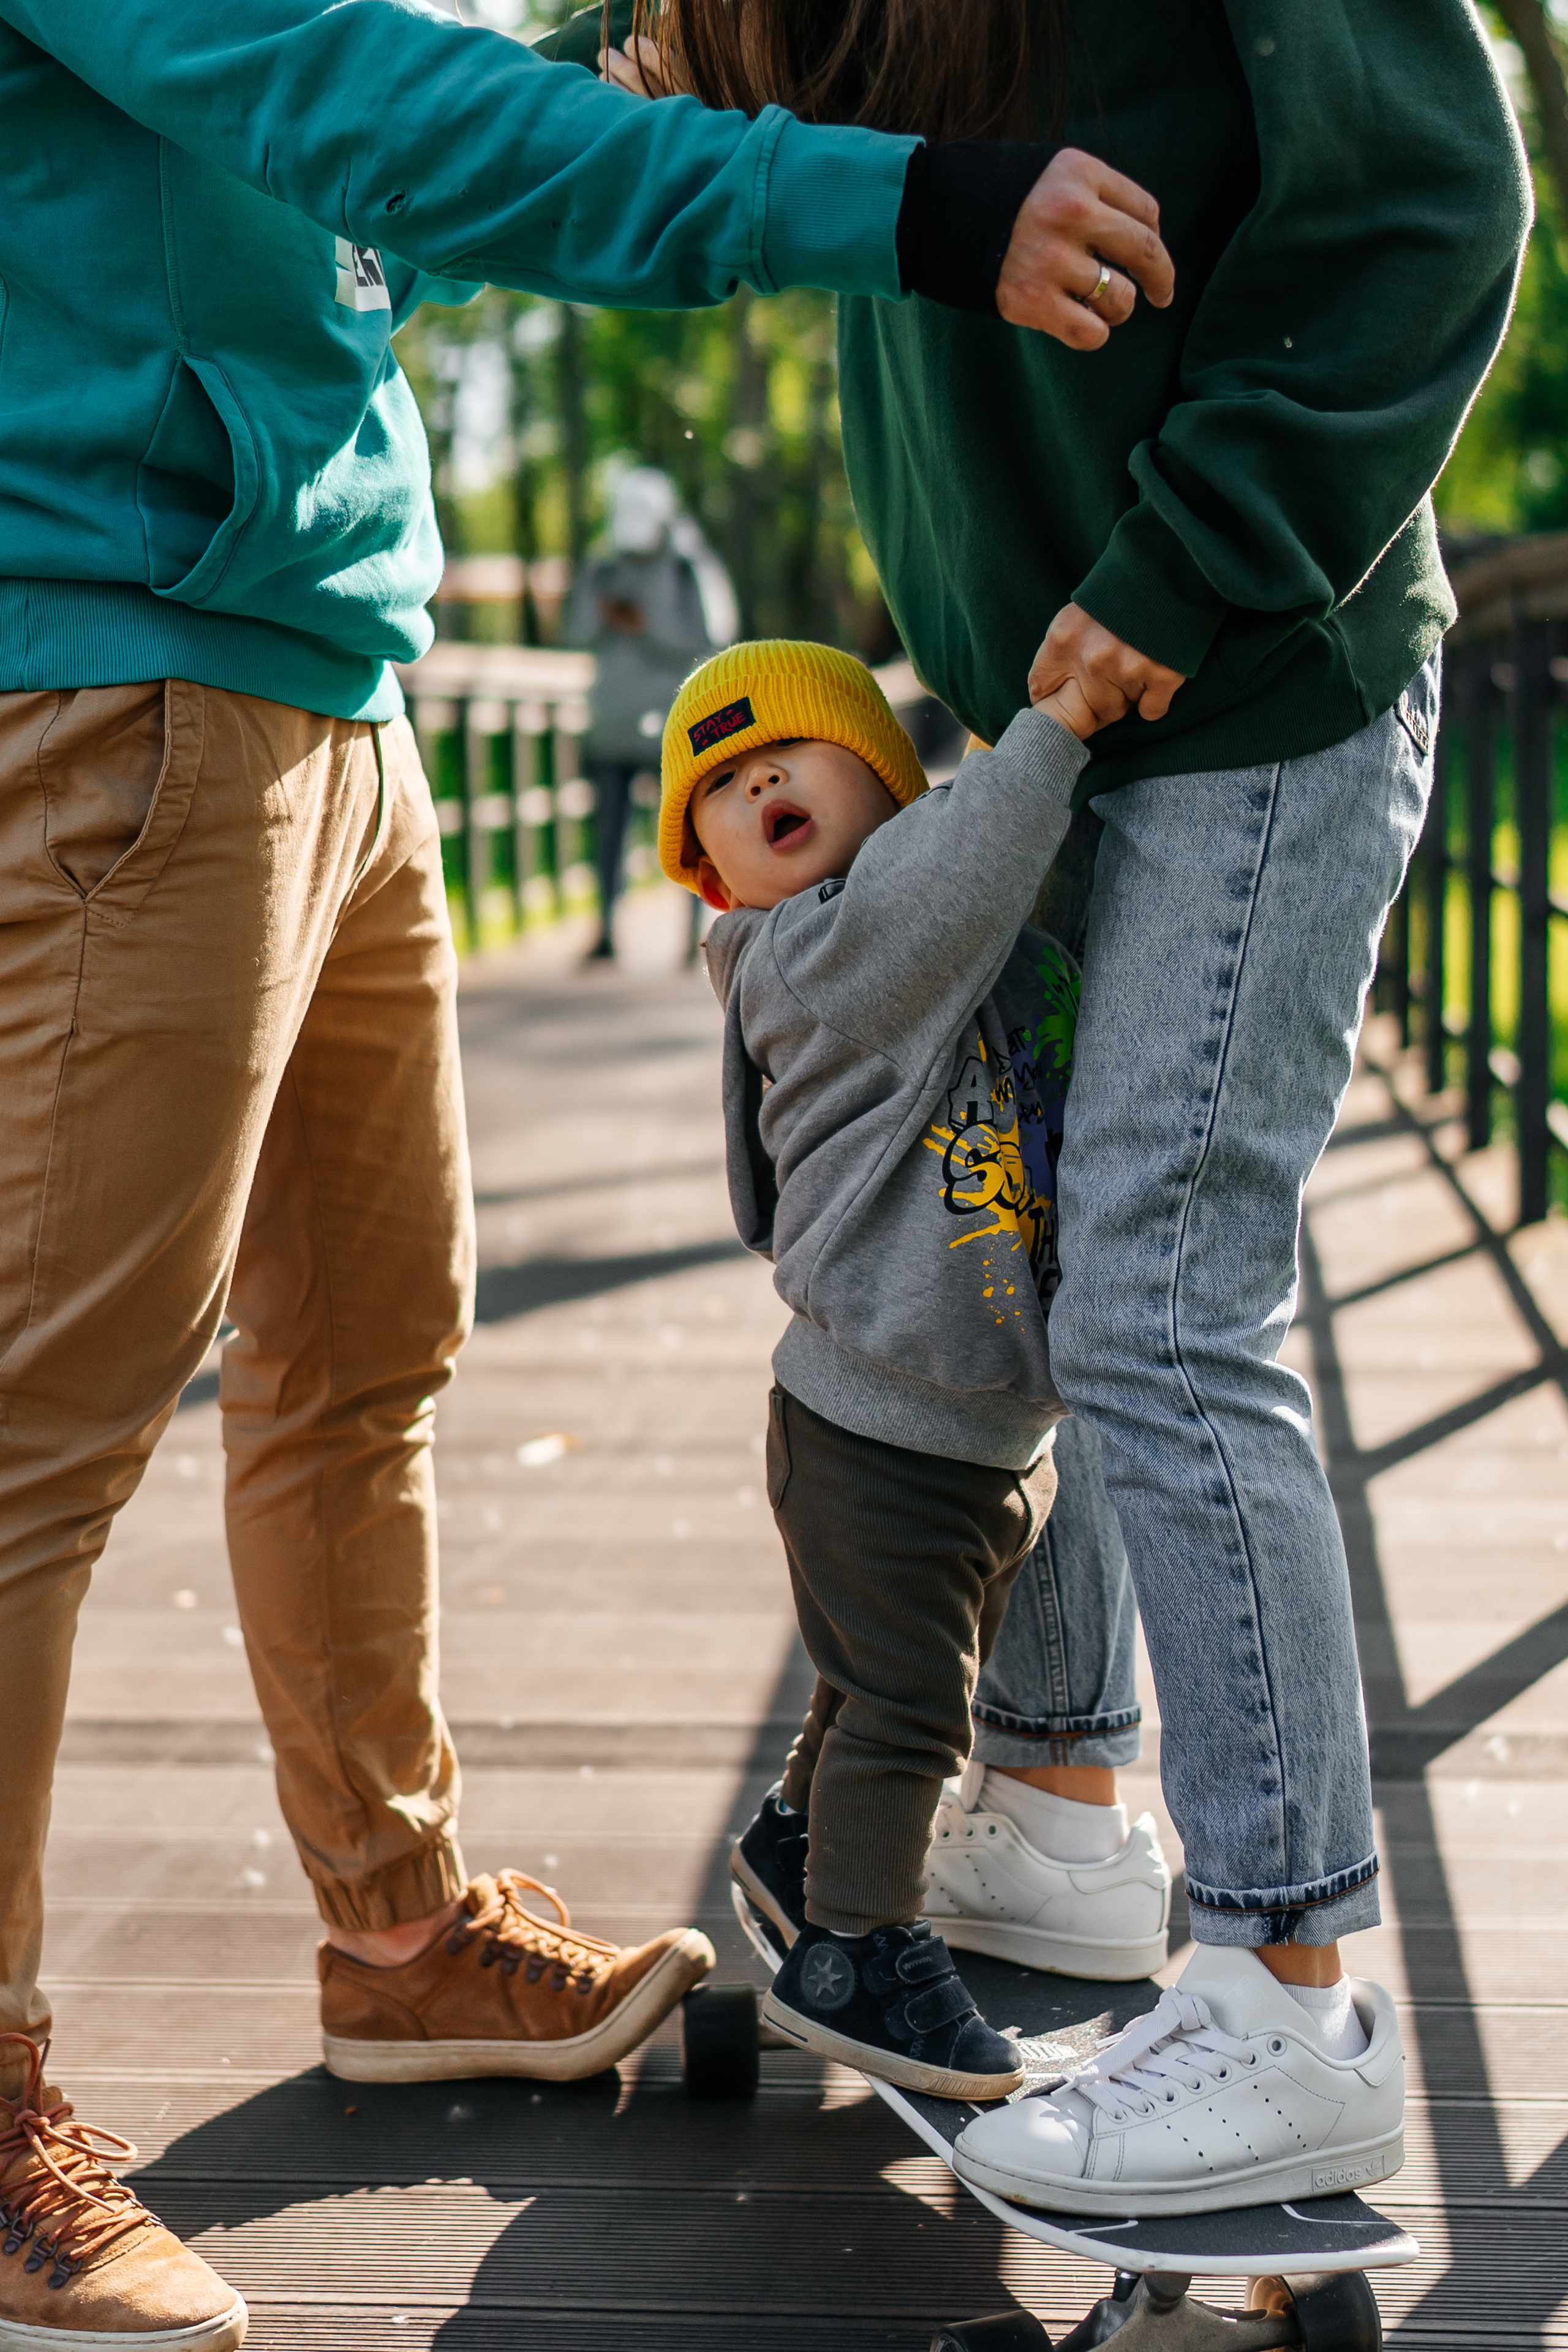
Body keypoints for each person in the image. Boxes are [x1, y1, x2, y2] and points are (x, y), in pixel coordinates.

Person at [0, 0, 1183, 2340]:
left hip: (326, 673)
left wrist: (607, 83)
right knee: (45, 1419)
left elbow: (369, 210)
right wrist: (903, 204)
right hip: (123, 675)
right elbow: (372, 111)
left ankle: (396, 1932)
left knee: (366, 1353)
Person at [611, 0, 1531, 2213]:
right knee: (1037, 1251)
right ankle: (1053, 1805)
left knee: (1159, 1304)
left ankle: (1287, 1991)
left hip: (1241, 665)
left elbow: (1434, 199)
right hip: (1036, 688)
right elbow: (665, 103)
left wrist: (1188, 549)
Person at [658, 635, 1117, 2094]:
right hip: (881, 1434)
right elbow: (962, 871)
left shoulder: (912, 933)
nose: (758, 784)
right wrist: (1057, 725)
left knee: (873, 1685)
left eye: (787, 752)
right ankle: (855, 1948)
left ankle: (803, 1844)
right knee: (913, 1707)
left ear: (885, 779)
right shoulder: (815, 955)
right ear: (713, 878)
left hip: (965, 1435)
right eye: (721, 787)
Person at [563, 468, 718, 960]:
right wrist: (602, 611)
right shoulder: (602, 566)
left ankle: (695, 934)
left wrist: (647, 627)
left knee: (689, 833)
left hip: (673, 726)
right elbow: (575, 633)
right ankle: (607, 929)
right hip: (611, 722)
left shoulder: (688, 568)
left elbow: (711, 637)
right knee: (608, 834)